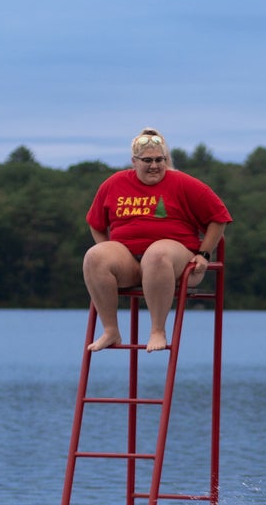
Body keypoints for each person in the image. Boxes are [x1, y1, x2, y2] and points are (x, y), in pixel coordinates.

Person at [83, 128, 232, 353]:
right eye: (148, 160)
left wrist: (204, 253)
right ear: (134, 162)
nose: (154, 166)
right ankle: (110, 330)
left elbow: (219, 218)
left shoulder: (183, 183)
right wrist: (108, 248)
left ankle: (158, 330)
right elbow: (96, 223)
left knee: (157, 253)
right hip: (131, 262)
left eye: (159, 160)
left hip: (175, 262)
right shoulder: (115, 183)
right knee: (94, 256)